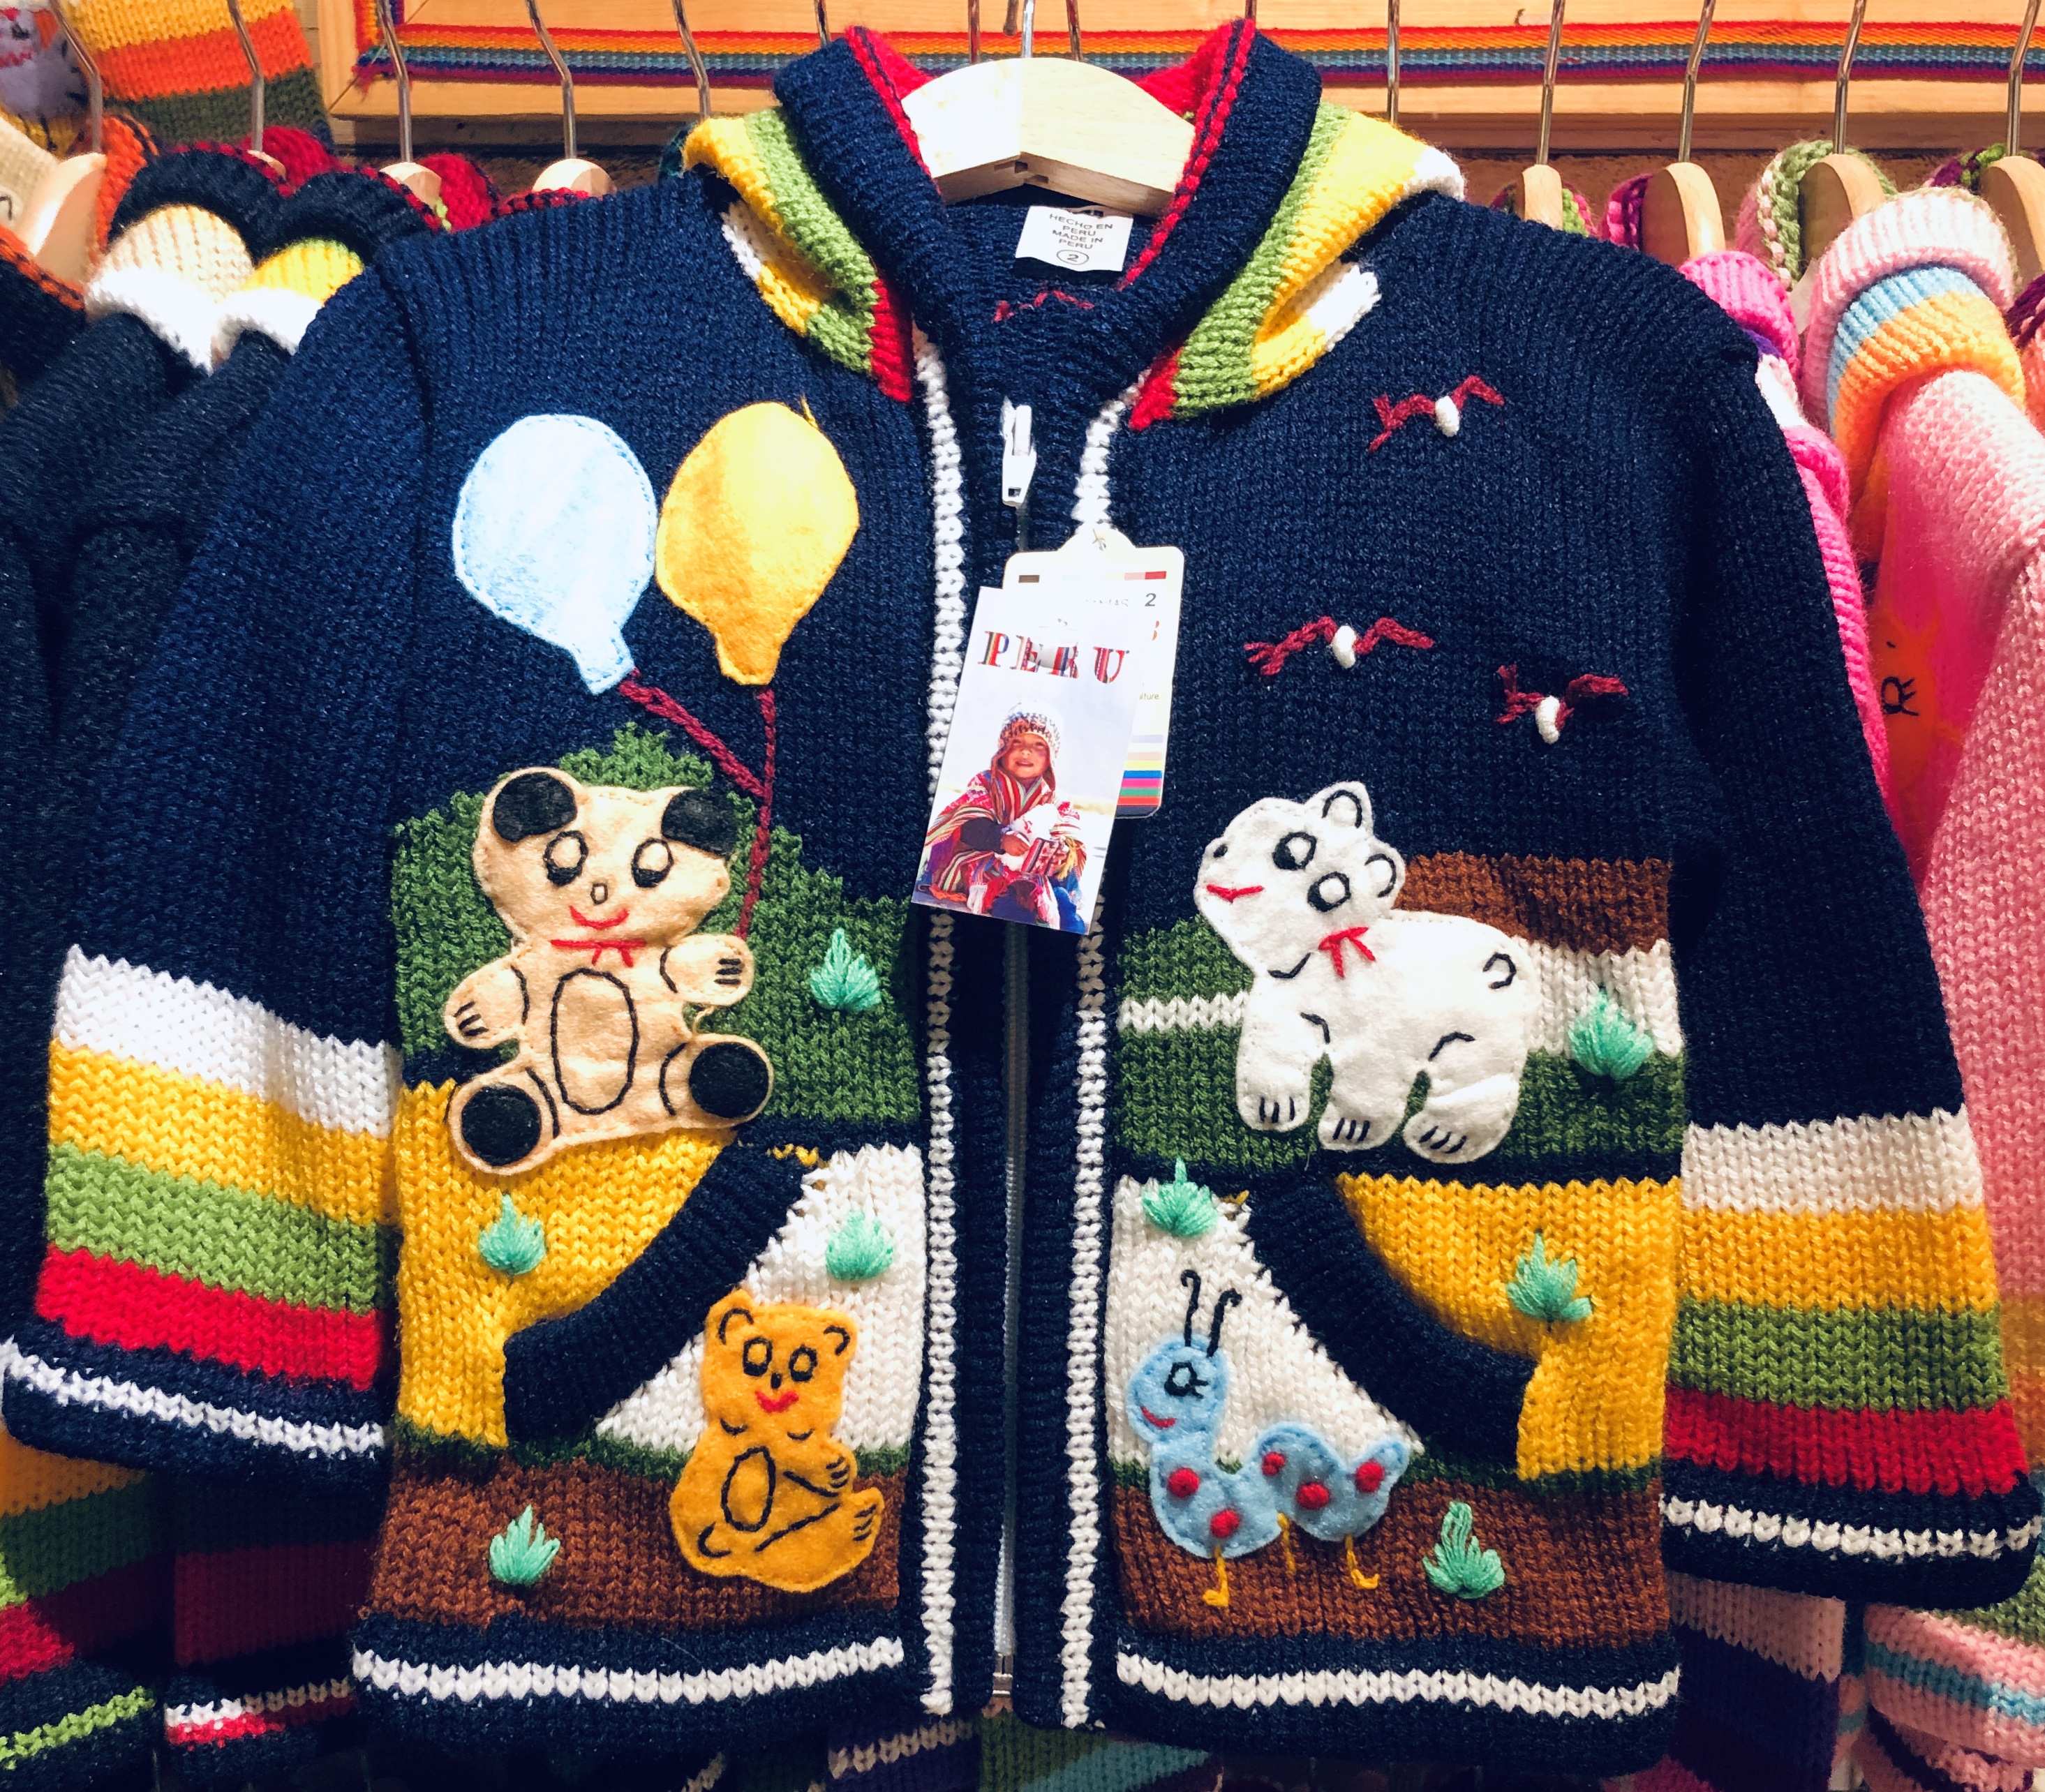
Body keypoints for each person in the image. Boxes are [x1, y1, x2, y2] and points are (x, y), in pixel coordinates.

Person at [920, 709, 1086, 929]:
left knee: (1062, 904)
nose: (1026, 751)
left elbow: (1068, 832)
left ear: (1051, 757)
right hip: (990, 865)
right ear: (1002, 748)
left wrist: (1062, 851)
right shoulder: (987, 783)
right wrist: (1001, 838)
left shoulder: (1053, 797)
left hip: (1038, 873)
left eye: (1039, 745)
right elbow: (968, 825)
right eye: (1017, 742)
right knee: (1009, 905)